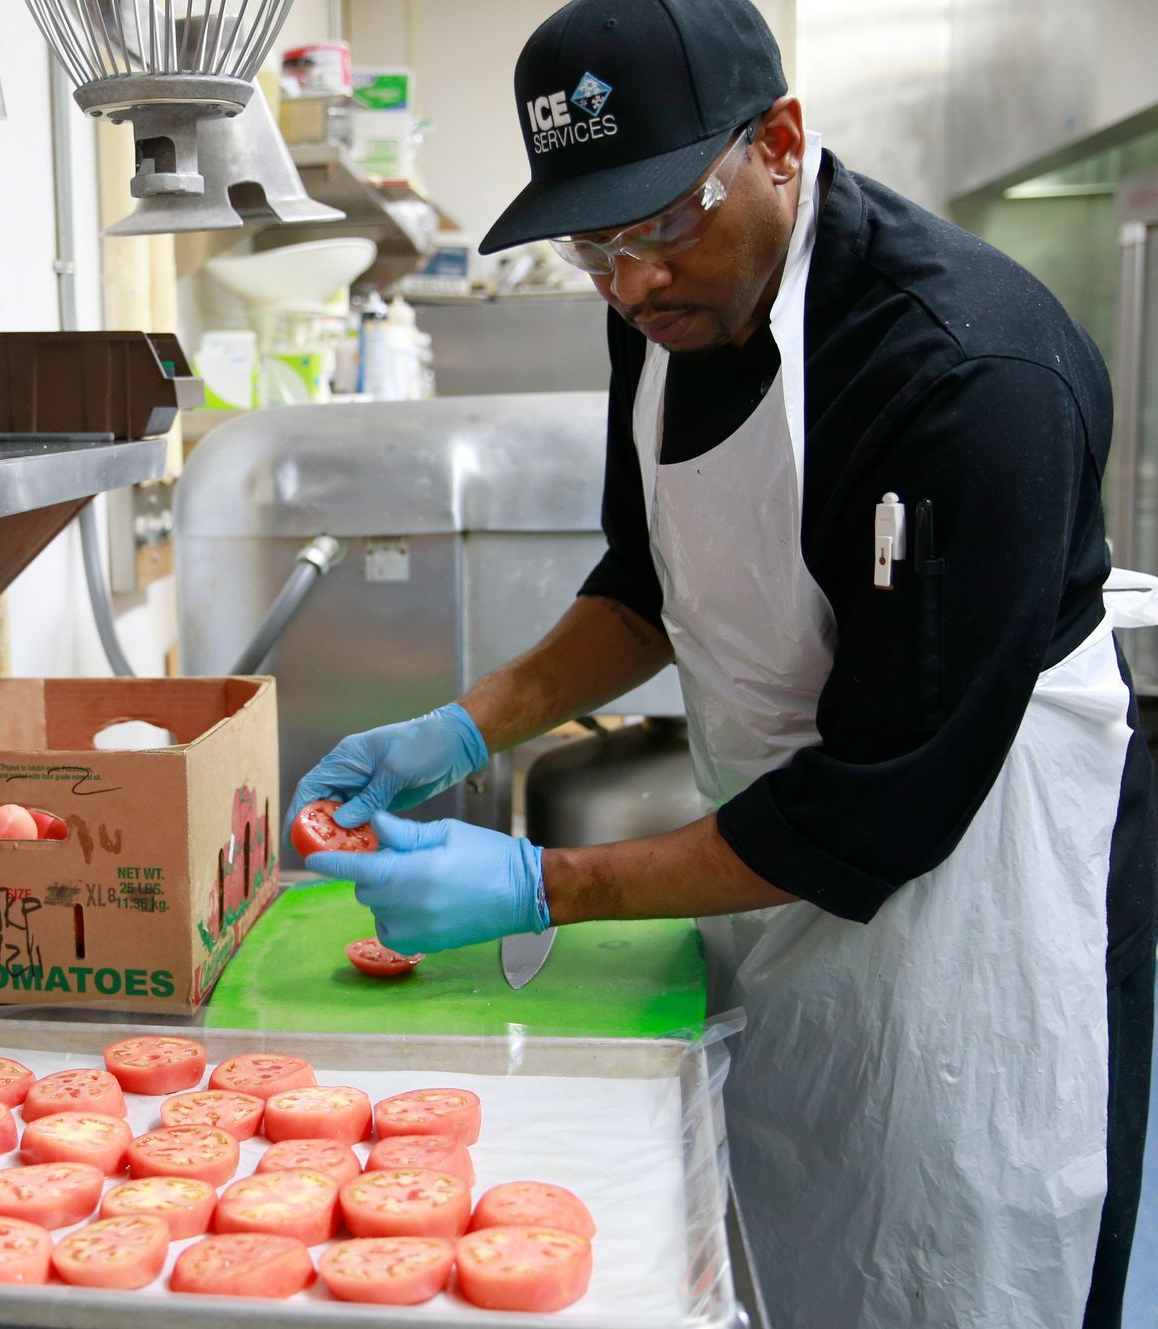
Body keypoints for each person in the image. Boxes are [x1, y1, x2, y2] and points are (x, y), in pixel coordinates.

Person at [290, 1, 1157, 1325]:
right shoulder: (657, 311)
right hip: (768, 846)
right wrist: (464, 727)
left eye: (663, 223)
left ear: (782, 145)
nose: (635, 283)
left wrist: (537, 882)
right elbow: (646, 590)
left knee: (962, 1253)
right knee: (790, 1217)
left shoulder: (968, 377)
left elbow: (880, 809)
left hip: (987, 884)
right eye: (596, 244)